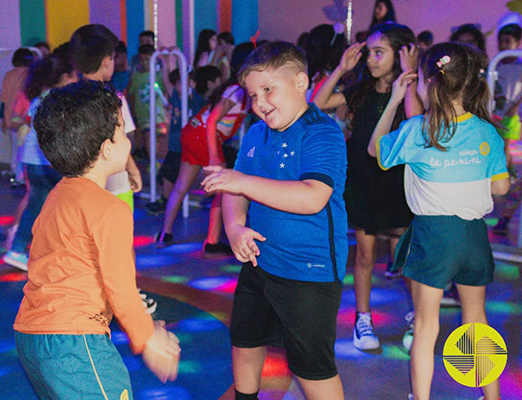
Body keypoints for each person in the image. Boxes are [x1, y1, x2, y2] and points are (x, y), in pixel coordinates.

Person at [14, 80, 181, 399]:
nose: (127, 137)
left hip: (31, 335)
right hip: (76, 342)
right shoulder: (110, 209)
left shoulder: (57, 196)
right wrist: (147, 338)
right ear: (107, 149)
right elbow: (120, 284)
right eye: (121, 130)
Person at [201, 41, 347, 400]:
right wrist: (234, 227)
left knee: (312, 368)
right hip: (258, 262)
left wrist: (240, 181)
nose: (260, 102)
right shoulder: (255, 134)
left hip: (307, 272)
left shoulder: (321, 132)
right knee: (246, 342)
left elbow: (313, 197)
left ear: (300, 83)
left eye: (268, 89)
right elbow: (234, 190)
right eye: (253, 94)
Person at [368, 42, 507, 400]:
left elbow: (376, 150)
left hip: (433, 237)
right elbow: (502, 186)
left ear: (431, 84)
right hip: (474, 237)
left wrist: (396, 100)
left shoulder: (418, 130)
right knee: (476, 320)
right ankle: (491, 396)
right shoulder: (487, 132)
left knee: (426, 326)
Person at [314, 23, 423, 351]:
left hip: (396, 182)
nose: (372, 59)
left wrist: (409, 78)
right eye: (370, 53)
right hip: (362, 179)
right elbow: (318, 103)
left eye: (380, 52)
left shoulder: (411, 89)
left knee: (401, 256)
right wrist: (341, 68)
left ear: (401, 54)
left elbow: (415, 121)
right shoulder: (360, 89)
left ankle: (420, 318)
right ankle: (363, 319)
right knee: (363, 254)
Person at [70, 23, 156, 314]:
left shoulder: (69, 99)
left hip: (82, 186)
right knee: (121, 243)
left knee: (89, 244)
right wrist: (133, 170)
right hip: (115, 186)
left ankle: (94, 295)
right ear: (107, 60)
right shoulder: (113, 100)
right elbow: (121, 141)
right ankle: (128, 295)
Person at [155, 43, 254, 257]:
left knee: (182, 186)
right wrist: (214, 155)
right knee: (224, 190)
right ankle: (212, 242)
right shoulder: (237, 91)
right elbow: (212, 120)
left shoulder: (236, 88)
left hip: (192, 132)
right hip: (203, 136)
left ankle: (166, 233)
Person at [2, 47, 77, 271]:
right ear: (64, 77)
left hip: (32, 162)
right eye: (74, 75)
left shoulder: (39, 99)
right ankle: (65, 253)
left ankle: (16, 250)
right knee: (68, 206)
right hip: (49, 163)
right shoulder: (58, 101)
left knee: (35, 205)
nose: (76, 79)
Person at [145, 65, 222, 216]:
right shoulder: (176, 97)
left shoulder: (195, 100)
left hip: (186, 146)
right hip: (175, 145)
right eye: (178, 84)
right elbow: (168, 83)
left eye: (183, 83)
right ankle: (166, 200)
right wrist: (166, 61)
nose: (179, 87)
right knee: (166, 175)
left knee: (172, 174)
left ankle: (167, 201)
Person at [492, 21, 522, 235]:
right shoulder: (498, 64)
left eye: (508, 41)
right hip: (499, 114)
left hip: (512, 115)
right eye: (501, 41)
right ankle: (504, 219)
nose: (504, 45)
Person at [127, 43, 168, 160]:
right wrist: (133, 111)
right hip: (143, 114)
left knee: (159, 136)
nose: (144, 62)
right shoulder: (136, 76)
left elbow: (165, 90)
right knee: (148, 135)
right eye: (142, 59)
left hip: (158, 113)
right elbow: (132, 94)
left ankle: (155, 159)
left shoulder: (158, 75)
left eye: (147, 59)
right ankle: (153, 161)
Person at [0, 47, 35, 182]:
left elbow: (4, 98)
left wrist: (4, 118)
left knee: (16, 146)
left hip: (11, 114)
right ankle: (23, 176)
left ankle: (16, 172)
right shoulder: (31, 73)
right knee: (26, 146)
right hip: (27, 114)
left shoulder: (9, 74)